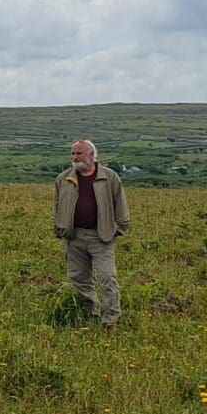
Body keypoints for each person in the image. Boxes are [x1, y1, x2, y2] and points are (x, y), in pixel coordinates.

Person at [53, 139, 129, 329]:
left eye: (79, 153)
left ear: (92, 155)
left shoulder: (110, 177)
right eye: (72, 153)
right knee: (79, 278)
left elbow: (121, 206)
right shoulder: (63, 179)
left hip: (101, 236)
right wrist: (59, 228)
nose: (75, 157)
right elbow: (56, 206)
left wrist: (116, 230)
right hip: (74, 236)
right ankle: (90, 315)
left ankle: (111, 320)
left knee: (107, 277)